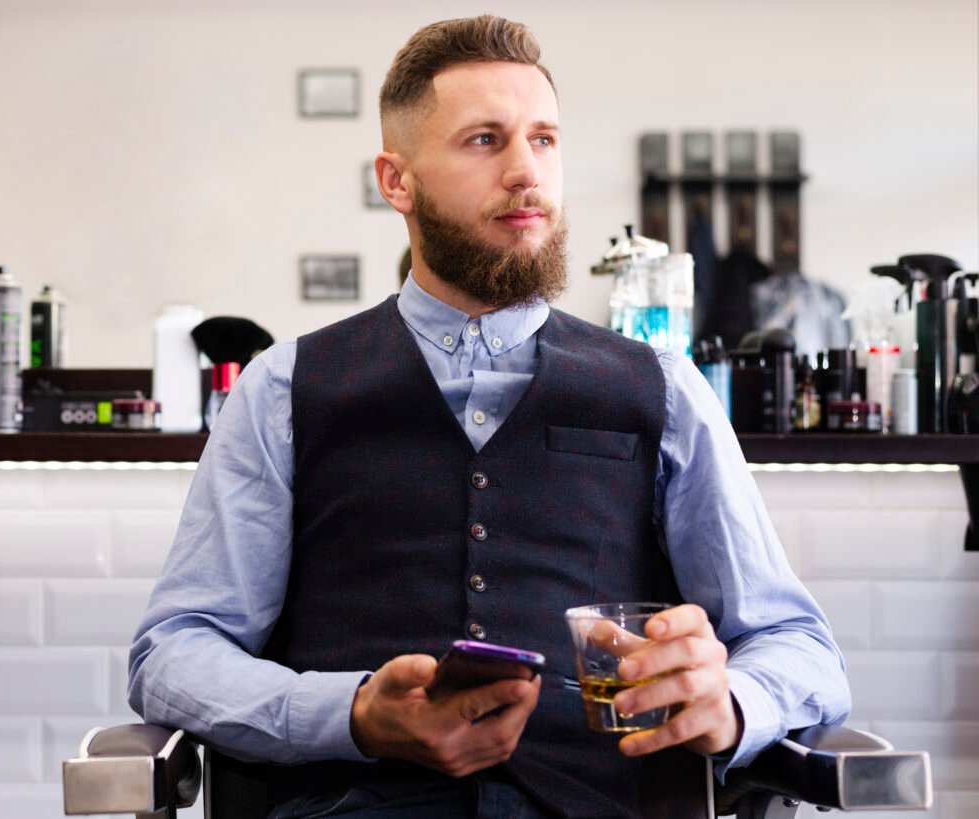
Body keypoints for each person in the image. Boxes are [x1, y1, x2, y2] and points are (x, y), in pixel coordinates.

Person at [128, 15, 851, 819]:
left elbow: (803, 648)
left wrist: (735, 700)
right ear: (395, 181)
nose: (525, 173)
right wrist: (356, 712)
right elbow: (174, 652)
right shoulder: (282, 389)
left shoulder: (666, 390)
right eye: (484, 140)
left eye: (544, 140)